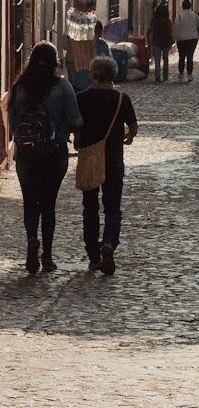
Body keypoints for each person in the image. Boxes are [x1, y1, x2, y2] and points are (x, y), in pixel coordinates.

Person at [10, 42, 83, 275]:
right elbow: (76, 120)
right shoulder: (62, 87)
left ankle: (32, 239)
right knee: (48, 204)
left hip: (27, 155)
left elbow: (12, 122)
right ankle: (47, 257)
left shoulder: (19, 87)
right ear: (55, 63)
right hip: (55, 154)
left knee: (30, 202)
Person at [76, 55, 138, 275]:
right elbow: (133, 127)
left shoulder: (81, 98)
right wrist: (128, 136)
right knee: (112, 208)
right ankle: (109, 242)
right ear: (112, 75)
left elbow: (75, 125)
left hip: (89, 161)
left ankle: (93, 257)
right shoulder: (122, 99)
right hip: (113, 161)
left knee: (90, 208)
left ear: (93, 74)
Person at [173, 0, 199, 81]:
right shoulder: (195, 15)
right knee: (190, 56)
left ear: (182, 7)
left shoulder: (179, 16)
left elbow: (176, 27)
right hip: (192, 39)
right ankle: (189, 74)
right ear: (190, 6)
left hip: (181, 39)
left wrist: (174, 37)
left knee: (181, 56)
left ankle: (181, 74)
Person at [148, 1, 173, 83]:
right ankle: (165, 76)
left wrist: (149, 41)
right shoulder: (168, 21)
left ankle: (157, 76)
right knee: (166, 60)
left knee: (157, 60)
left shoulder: (154, 21)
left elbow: (151, 30)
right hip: (166, 42)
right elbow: (170, 32)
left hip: (156, 42)